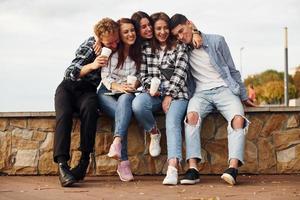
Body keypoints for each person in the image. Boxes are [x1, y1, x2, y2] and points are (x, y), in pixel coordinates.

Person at [170, 13, 256, 185]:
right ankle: (193, 169)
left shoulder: (217, 41)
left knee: (238, 120)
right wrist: (194, 33)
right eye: (177, 35)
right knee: (191, 117)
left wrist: (244, 95)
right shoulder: (182, 49)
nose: (180, 36)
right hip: (200, 93)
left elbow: (232, 70)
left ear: (189, 24)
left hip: (225, 90)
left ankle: (232, 169)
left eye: (181, 31)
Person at [53, 18, 119, 187]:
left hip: (88, 90)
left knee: (91, 108)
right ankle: (62, 166)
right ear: (99, 38)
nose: (114, 45)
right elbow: (69, 72)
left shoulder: (117, 49)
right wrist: (93, 65)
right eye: (109, 42)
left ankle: (83, 162)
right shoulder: (91, 45)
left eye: (116, 41)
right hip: (69, 88)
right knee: (64, 115)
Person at [131, 12, 189, 185]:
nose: (162, 32)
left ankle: (173, 167)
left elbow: (180, 72)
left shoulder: (179, 46)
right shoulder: (146, 48)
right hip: (154, 94)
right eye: (158, 28)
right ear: (153, 30)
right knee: (138, 104)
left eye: (165, 28)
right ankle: (154, 132)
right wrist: (152, 87)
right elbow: (143, 74)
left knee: (172, 122)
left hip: (178, 94)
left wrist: (169, 94)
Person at [97, 18, 141, 182]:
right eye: (126, 31)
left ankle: (117, 144)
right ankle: (123, 161)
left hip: (126, 92)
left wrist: (133, 84)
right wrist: (118, 87)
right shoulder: (109, 51)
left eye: (132, 30)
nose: (130, 34)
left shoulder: (138, 52)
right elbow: (105, 78)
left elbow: (139, 76)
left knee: (124, 104)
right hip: (106, 92)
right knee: (121, 113)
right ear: (118, 35)